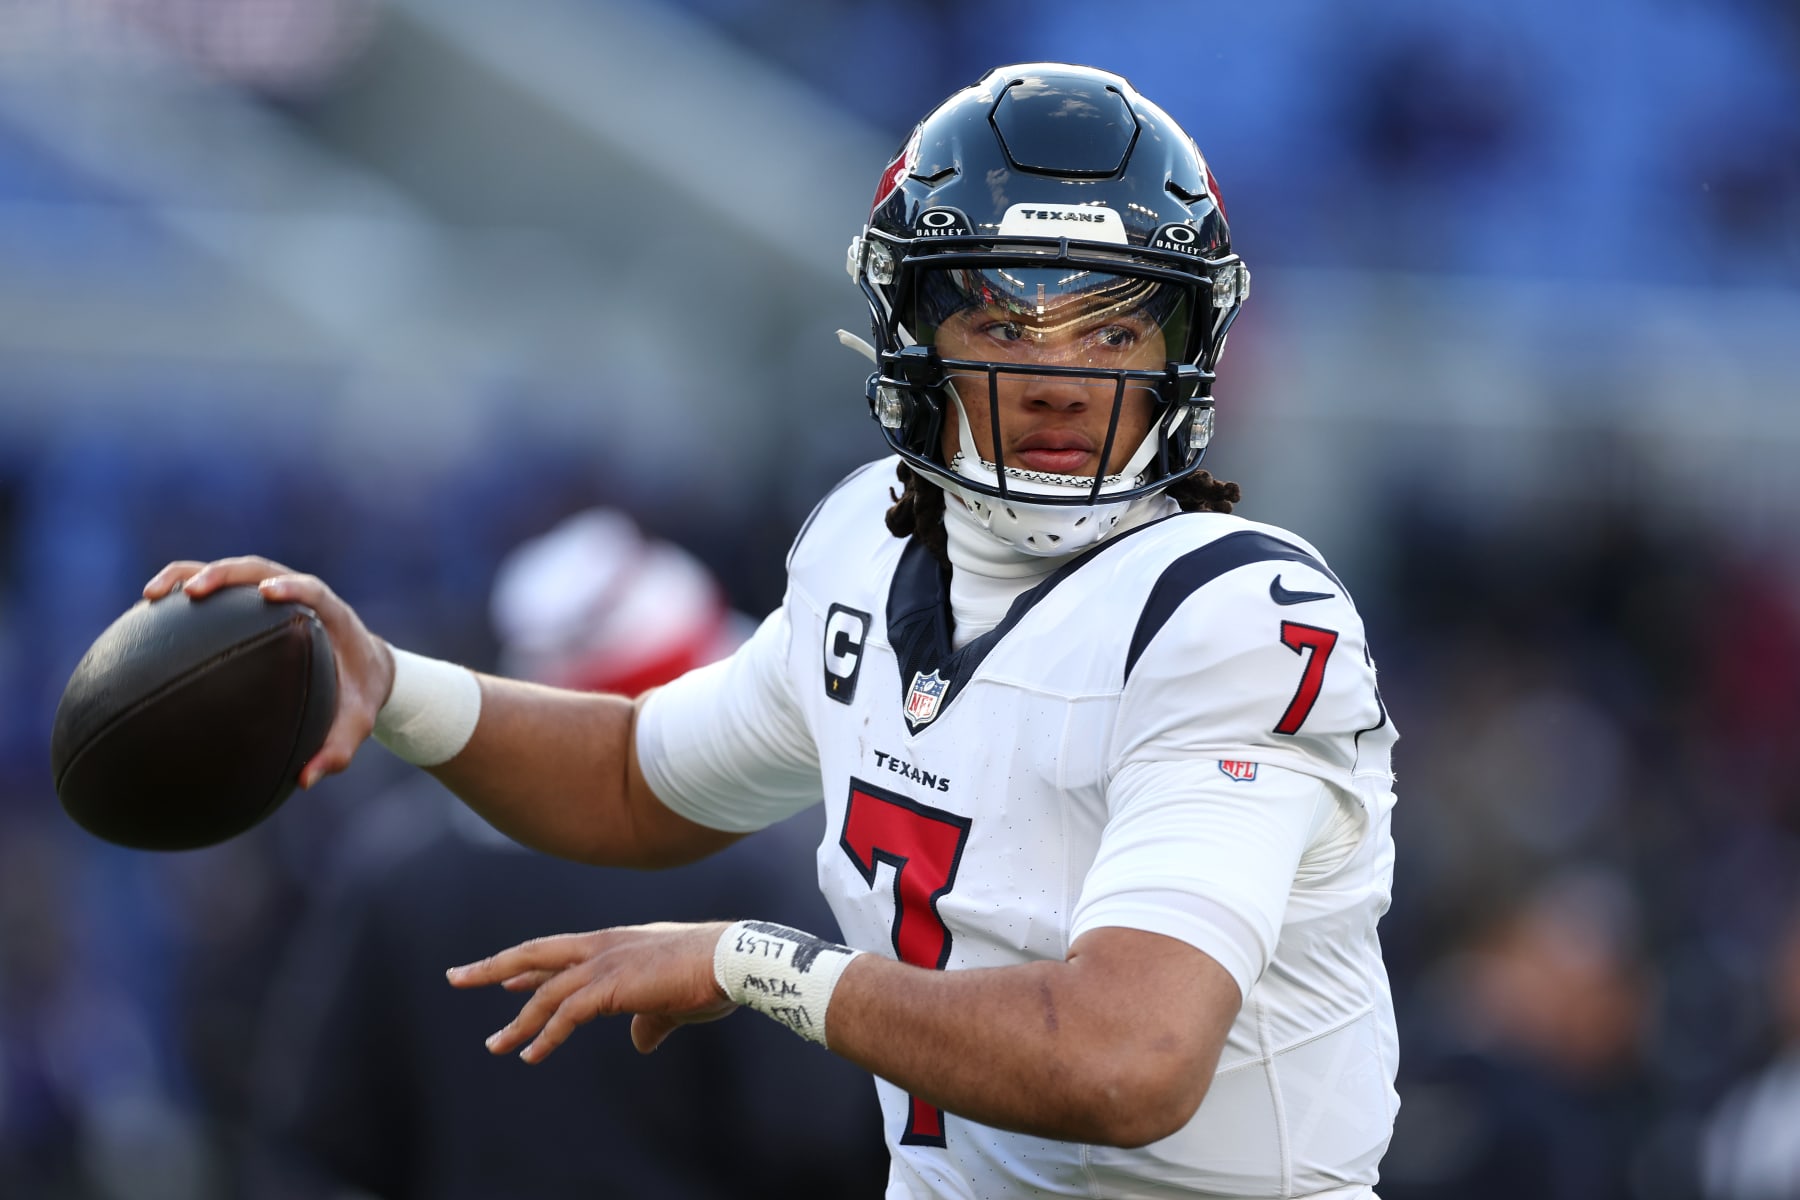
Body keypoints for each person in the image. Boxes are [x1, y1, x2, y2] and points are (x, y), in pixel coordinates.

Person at [148, 64, 1401, 1199]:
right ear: (916, 338)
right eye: (1003, 326)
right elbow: (639, 778)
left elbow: (1129, 1064)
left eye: (1116, 328)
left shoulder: (1232, 619)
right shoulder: (873, 548)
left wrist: (760, 968)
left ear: (1191, 348)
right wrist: (391, 684)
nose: (1062, 378)